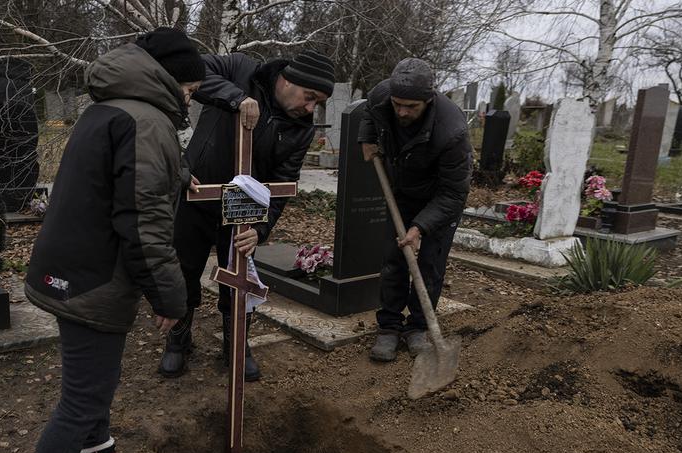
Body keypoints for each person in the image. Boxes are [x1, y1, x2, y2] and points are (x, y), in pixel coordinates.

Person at [0, 28, 204, 453]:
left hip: (69, 268)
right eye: (190, 88)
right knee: (84, 396)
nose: (190, 99)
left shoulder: (109, 110)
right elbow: (143, 223)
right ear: (170, 78)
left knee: (95, 382)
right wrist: (170, 299)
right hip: (96, 278)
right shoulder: (148, 121)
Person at [158, 49, 335, 381]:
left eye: (319, 102)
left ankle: (236, 343)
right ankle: (178, 340)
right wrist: (237, 97)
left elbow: (284, 184)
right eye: (310, 97)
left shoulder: (300, 130)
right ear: (286, 80)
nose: (311, 108)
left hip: (243, 211)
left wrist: (262, 229)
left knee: (240, 279)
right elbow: (193, 72)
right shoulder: (241, 70)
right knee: (184, 267)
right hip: (198, 191)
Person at [358, 58, 472, 362]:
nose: (402, 112)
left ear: (429, 100)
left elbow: (453, 192)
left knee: (430, 265)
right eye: (398, 105)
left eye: (411, 106)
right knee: (393, 259)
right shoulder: (383, 95)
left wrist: (420, 227)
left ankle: (418, 327)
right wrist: (366, 138)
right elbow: (370, 110)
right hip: (402, 190)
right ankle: (389, 327)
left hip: (440, 198)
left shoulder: (452, 132)